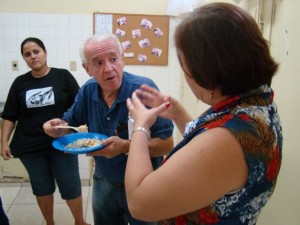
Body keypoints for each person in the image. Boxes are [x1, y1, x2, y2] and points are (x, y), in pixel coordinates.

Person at [124, 2, 283, 225]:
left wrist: (140, 127)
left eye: (185, 66)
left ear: (207, 73)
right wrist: (178, 113)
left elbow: (139, 202)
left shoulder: (227, 141)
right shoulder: (257, 105)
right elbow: (206, 148)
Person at [43, 33, 174, 225]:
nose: (109, 68)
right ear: (87, 69)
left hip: (144, 184)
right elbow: (69, 124)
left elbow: (167, 145)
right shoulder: (88, 91)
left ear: (123, 60)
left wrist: (126, 147)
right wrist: (58, 127)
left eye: (113, 59)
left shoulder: (144, 90)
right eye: (98, 63)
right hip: (103, 180)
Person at [0, 37, 89, 225]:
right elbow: (9, 116)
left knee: (70, 185)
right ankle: (50, 223)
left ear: (45, 52)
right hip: (30, 146)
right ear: (24, 59)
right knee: (42, 187)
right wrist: (4, 142)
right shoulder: (19, 83)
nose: (33, 56)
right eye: (27, 54)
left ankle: (80, 222)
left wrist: (81, 133)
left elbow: (80, 105)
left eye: (36, 51)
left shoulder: (62, 76)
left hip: (63, 143)